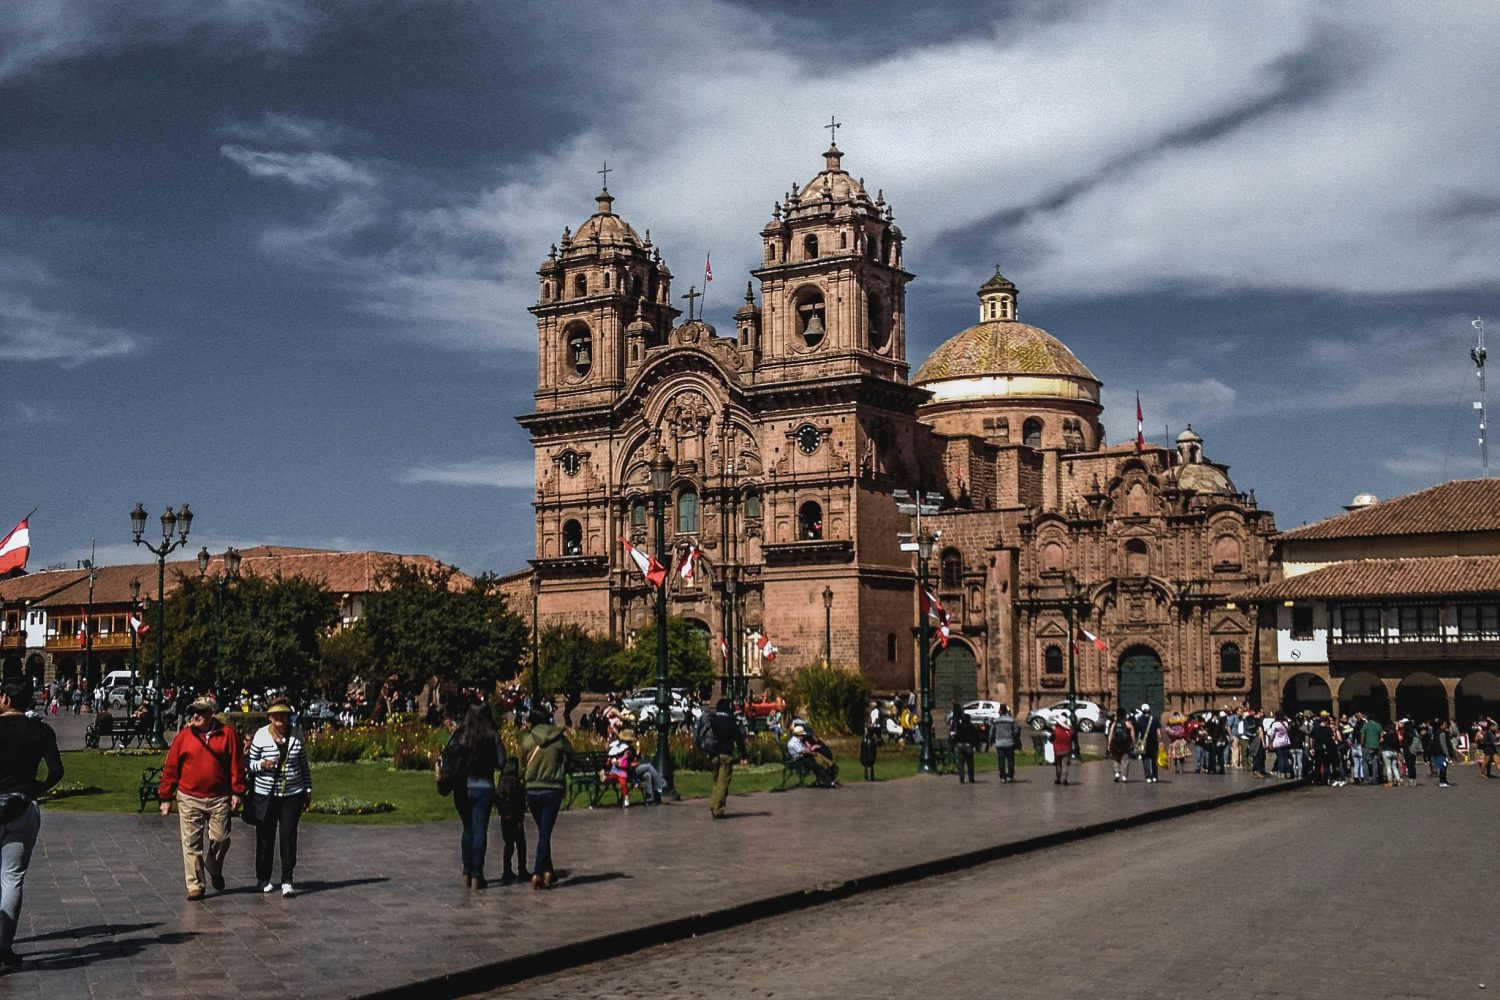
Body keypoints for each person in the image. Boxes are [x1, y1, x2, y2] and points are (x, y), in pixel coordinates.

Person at [0, 677, 63, 970]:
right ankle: (4, 946)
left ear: (6, 699)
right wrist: (33, 790)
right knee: (12, 878)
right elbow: (56, 771)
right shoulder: (40, 730)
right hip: (21, 808)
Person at [158, 696, 245, 900]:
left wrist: (237, 791)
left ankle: (213, 865)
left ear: (211, 714)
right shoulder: (184, 736)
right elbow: (171, 767)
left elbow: (237, 764)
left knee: (221, 838)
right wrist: (165, 796)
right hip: (189, 796)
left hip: (219, 797)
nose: (195, 715)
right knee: (191, 843)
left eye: (201, 711)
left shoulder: (227, 735)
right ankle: (195, 885)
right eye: (193, 712)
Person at [246, 697, 312, 896]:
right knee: (265, 837)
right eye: (276, 715)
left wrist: (308, 790)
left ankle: (287, 879)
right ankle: (263, 878)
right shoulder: (260, 736)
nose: (280, 719)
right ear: (270, 717)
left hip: (292, 793)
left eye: (283, 715)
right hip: (266, 793)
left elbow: (303, 765)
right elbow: (250, 764)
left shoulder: (297, 734)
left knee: (288, 836)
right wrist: (262, 765)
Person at [445, 703, 505, 889]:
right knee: (480, 831)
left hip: (463, 787)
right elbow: (502, 761)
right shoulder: (491, 735)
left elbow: (447, 755)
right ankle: (477, 874)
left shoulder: (459, 735)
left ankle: (466, 871)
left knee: (468, 829)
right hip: (484, 787)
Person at [521, 706, 576, 891]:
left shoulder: (528, 740)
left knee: (544, 831)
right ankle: (537, 872)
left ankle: (548, 870)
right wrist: (562, 767)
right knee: (545, 833)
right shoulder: (559, 739)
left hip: (532, 790)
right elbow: (573, 756)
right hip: (552, 789)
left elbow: (522, 763)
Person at [704, 698, 748, 817]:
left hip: (713, 754)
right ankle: (717, 809)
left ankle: (714, 804)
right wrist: (744, 756)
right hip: (725, 754)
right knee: (723, 783)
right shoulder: (730, 722)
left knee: (716, 781)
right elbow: (739, 741)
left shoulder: (712, 719)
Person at [496, 757, 529, 884]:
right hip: (516, 818)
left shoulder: (501, 782)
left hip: (505, 818)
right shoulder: (517, 784)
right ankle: (522, 869)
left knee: (508, 845)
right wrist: (520, 818)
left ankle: (507, 869)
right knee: (521, 845)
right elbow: (520, 804)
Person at [786, 723, 838, 788]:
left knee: (827, 763)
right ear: (798, 735)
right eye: (802, 734)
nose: (803, 736)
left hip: (806, 757)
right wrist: (812, 752)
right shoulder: (793, 742)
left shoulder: (798, 740)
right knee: (816, 766)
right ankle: (829, 782)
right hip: (800, 759)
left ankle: (831, 779)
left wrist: (812, 750)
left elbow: (806, 749)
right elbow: (803, 751)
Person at [990, 704, 1022, 783]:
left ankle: (1002, 777)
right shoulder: (1011, 720)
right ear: (1007, 711)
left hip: (999, 743)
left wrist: (991, 740)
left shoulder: (995, 721)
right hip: (1009, 742)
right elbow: (1016, 731)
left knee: (1001, 761)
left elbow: (991, 732)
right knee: (1011, 760)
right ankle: (1010, 776)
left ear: (1000, 711)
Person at [950, 703, 980, 784]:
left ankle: (962, 779)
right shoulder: (971, 727)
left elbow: (956, 736)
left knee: (960, 764)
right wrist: (976, 745)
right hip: (968, 746)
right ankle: (971, 778)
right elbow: (975, 736)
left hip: (959, 746)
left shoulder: (959, 726)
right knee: (970, 763)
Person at [1106, 708, 1135, 782]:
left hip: (1115, 744)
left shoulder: (1114, 723)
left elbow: (1110, 734)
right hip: (1125, 744)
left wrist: (1109, 744)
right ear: (1125, 714)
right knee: (1125, 759)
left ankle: (1117, 772)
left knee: (1116, 758)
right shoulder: (1127, 723)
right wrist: (1133, 742)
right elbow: (1132, 734)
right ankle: (1124, 776)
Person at [1135, 703, 1160, 783]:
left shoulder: (1140, 720)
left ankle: (1148, 777)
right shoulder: (1155, 719)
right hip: (1154, 742)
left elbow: (1138, 733)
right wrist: (1161, 741)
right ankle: (1155, 776)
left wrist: (1136, 742)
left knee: (1145, 759)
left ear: (1142, 711)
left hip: (1144, 743)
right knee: (1154, 760)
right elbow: (1158, 732)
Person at [1051, 717, 1073, 786]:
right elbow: (1073, 738)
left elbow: (1051, 739)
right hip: (1067, 750)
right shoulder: (1069, 732)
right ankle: (1065, 779)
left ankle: (1058, 779)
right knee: (1065, 765)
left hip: (1057, 750)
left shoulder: (1056, 731)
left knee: (1058, 765)